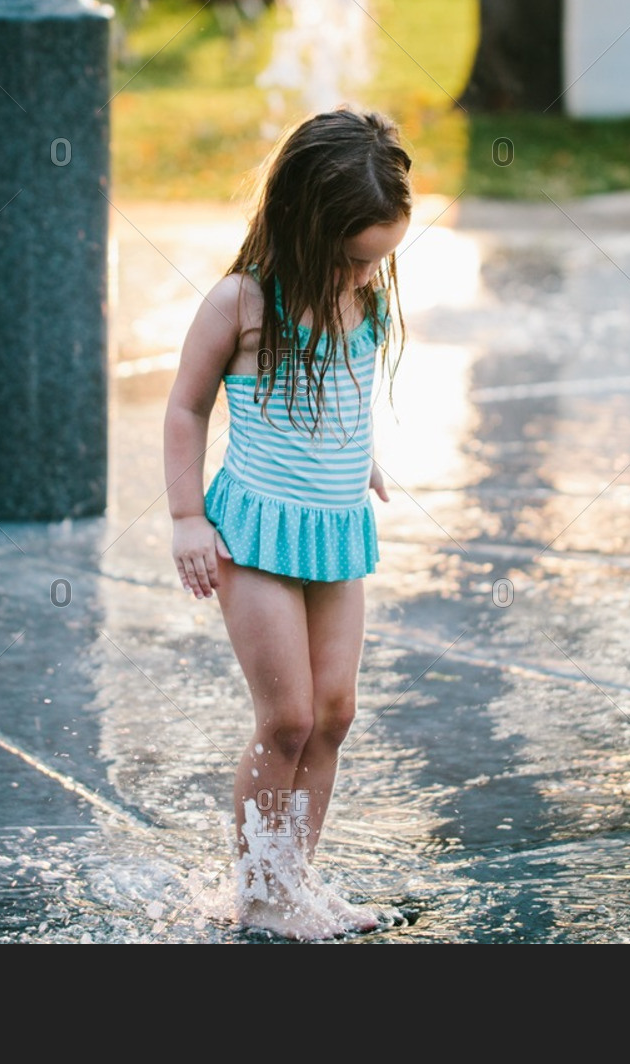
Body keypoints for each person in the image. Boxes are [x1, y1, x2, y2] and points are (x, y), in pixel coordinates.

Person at [162, 107, 412, 940]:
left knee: (335, 713)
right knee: (289, 720)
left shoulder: (363, 298)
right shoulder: (242, 301)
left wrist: (358, 455)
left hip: (335, 530)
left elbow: (347, 387)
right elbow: (186, 410)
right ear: (305, 227)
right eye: (349, 259)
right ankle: (262, 893)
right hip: (256, 534)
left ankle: (295, 882)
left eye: (377, 259)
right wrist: (186, 517)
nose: (362, 275)